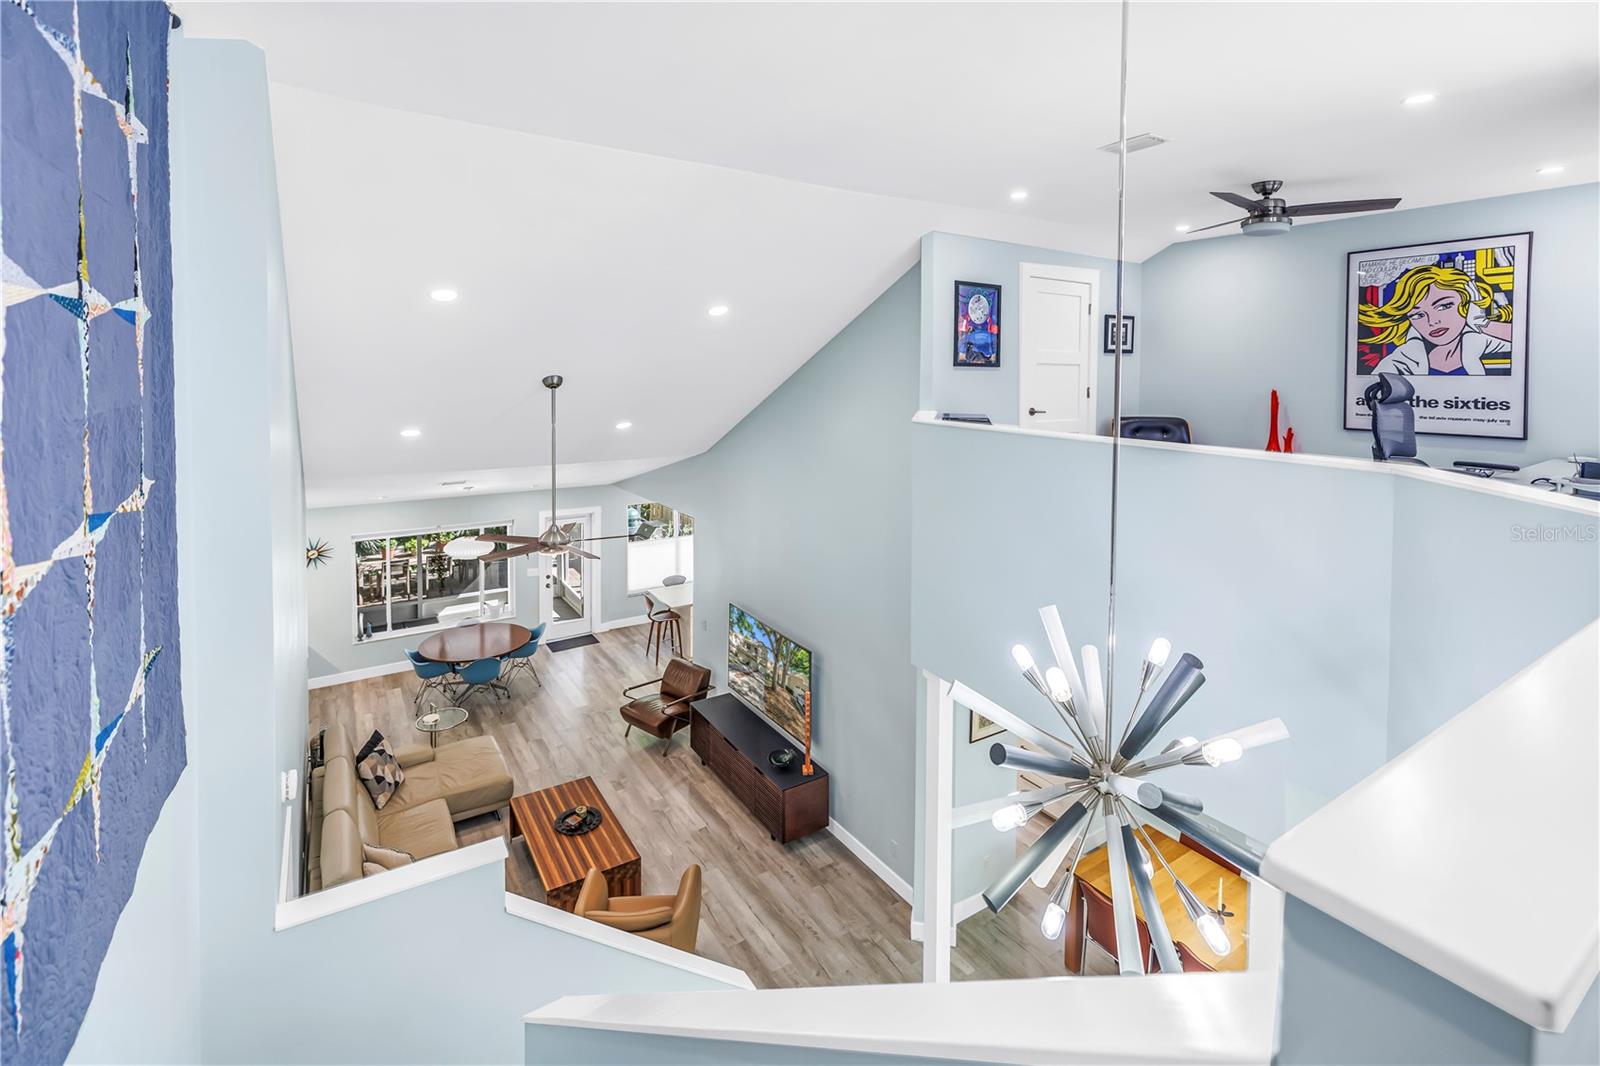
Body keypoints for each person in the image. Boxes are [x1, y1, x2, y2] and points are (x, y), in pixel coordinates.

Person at [1359, 263, 1513, 376]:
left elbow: (1524, 342)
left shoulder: (1478, 341)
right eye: (1417, 315)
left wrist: (1481, 322)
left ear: (1467, 303)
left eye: (1444, 306)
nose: (1432, 322)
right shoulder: (1401, 359)